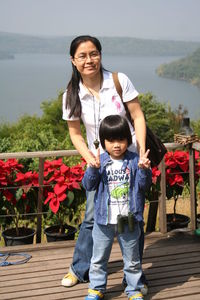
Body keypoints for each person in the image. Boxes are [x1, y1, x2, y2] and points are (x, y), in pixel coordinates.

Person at [61, 35, 149, 292]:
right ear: (73, 61)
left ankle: (132, 276)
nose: (89, 60)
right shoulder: (71, 93)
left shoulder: (118, 81)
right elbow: (75, 133)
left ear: (100, 54)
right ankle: (80, 268)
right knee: (93, 216)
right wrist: (89, 158)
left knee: (131, 218)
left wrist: (141, 152)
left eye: (93, 53)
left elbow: (137, 116)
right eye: (82, 56)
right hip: (100, 165)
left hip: (131, 161)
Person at [82, 115, 152, 300]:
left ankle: (133, 289)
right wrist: (93, 169)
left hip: (128, 218)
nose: (116, 145)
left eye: (121, 139)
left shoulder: (135, 160)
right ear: (103, 141)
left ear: (128, 140)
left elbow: (144, 186)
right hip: (103, 220)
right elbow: (88, 185)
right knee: (98, 260)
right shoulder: (100, 161)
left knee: (132, 259)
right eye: (111, 140)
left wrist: (144, 170)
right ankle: (96, 289)